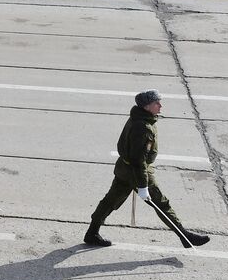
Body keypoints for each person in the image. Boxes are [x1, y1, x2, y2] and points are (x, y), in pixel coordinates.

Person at [84, 91, 210, 248]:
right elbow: (139, 160)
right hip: (137, 173)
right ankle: (185, 236)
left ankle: (91, 233)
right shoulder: (143, 127)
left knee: (109, 201)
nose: (160, 106)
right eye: (157, 103)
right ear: (147, 106)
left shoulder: (139, 118)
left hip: (124, 169)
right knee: (161, 204)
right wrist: (143, 186)